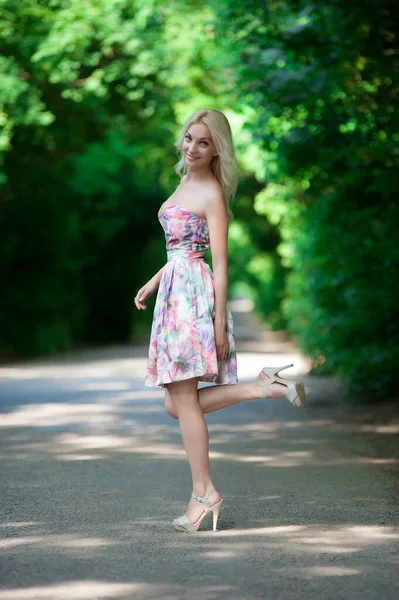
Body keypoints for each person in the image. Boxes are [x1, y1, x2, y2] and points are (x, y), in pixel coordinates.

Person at [134, 109, 305, 532]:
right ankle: (263, 387)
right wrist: (154, 281)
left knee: (184, 401)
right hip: (174, 292)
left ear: (217, 150)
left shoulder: (211, 192)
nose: (192, 147)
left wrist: (215, 322)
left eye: (204, 142)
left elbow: (220, 266)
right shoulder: (185, 180)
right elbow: (180, 250)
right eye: (190, 138)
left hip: (193, 301)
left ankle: (203, 493)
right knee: (175, 403)